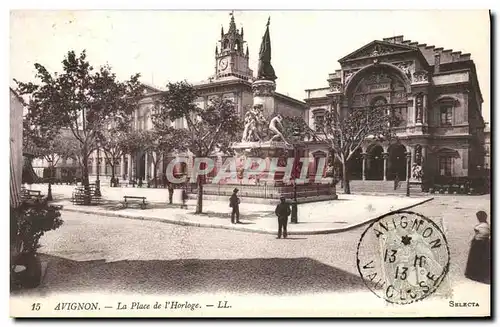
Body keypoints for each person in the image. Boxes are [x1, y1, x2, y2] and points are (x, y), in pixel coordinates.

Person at [465, 210, 491, 283]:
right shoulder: (487, 225)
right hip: (484, 243)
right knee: (482, 259)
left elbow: (479, 234)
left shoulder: (481, 226)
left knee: (475, 259)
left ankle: (474, 275)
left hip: (478, 243)